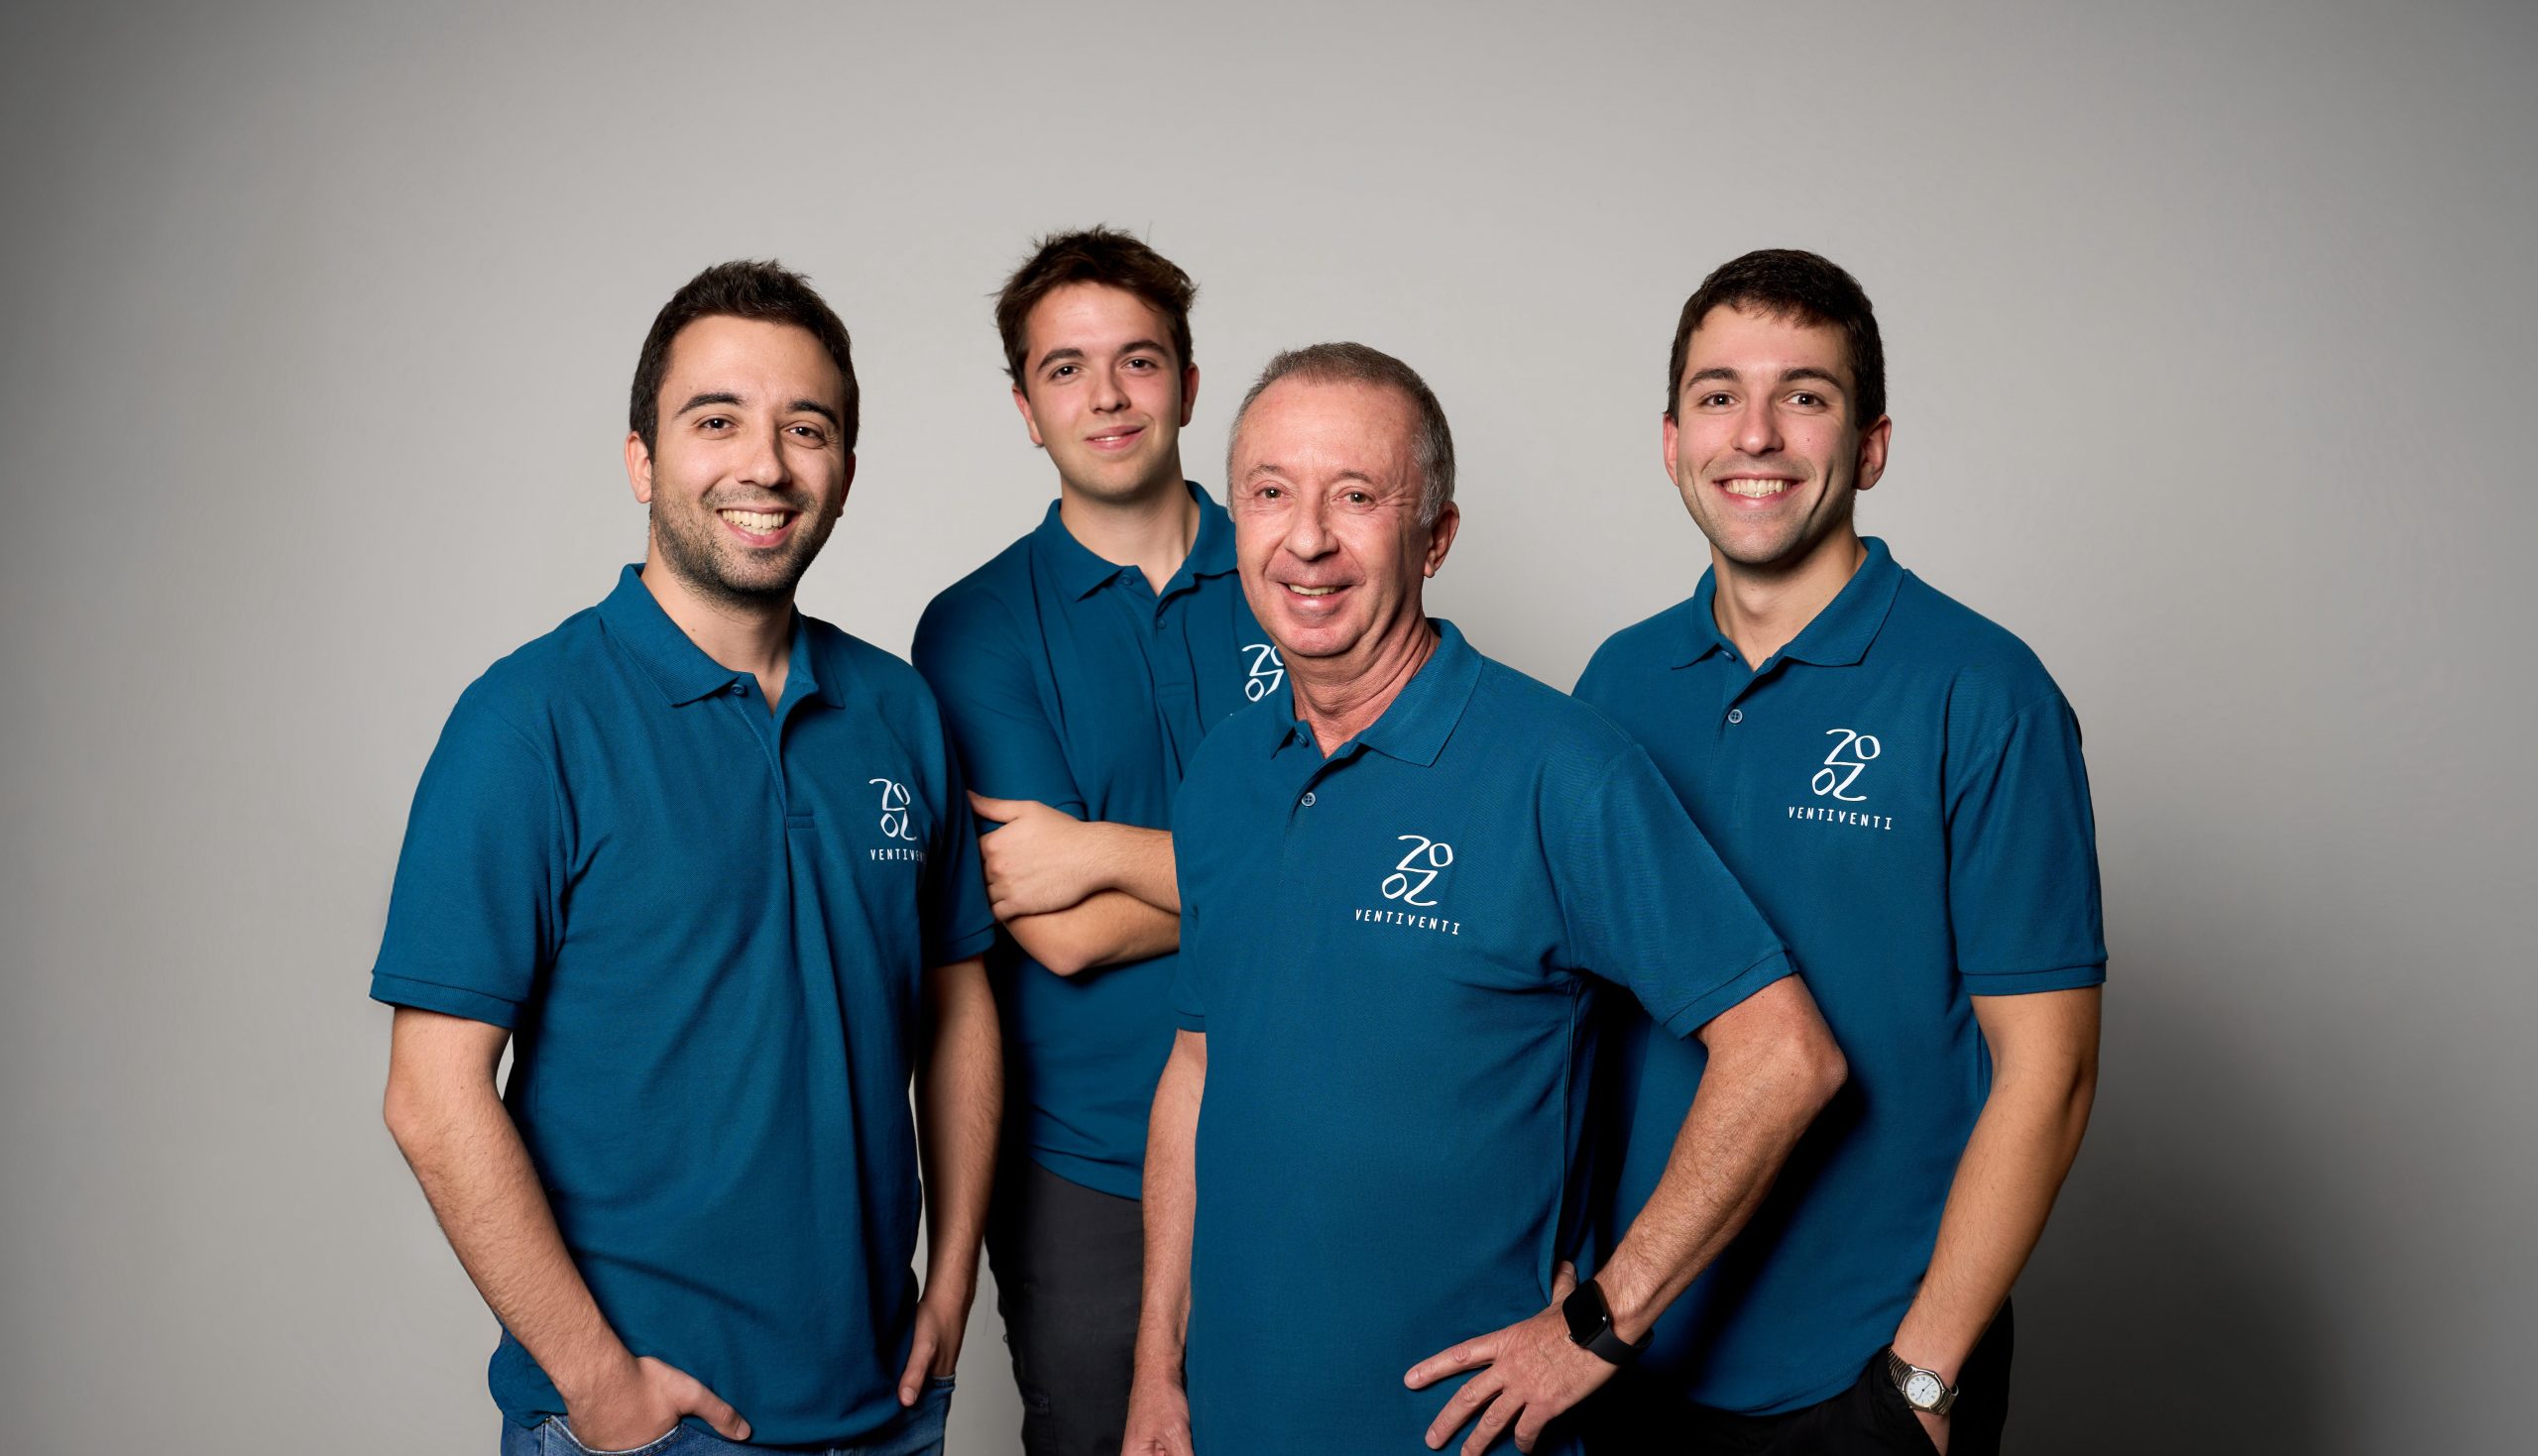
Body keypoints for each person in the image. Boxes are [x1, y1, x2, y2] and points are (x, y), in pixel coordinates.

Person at [1120, 343, 1849, 1456]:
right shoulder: (1224, 772)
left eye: (1356, 496)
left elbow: (1785, 1055)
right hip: (1226, 1419)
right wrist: (1154, 1369)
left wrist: (1601, 1321)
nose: (1306, 538)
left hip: (1460, 1432)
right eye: (1269, 493)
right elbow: (1195, 1071)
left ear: (1436, 536)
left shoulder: (1563, 769)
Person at [374, 260, 1001, 1456]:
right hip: (646, 1423)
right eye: (716, 420)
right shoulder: (528, 721)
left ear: (845, 471)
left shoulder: (899, 710)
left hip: (886, 1405)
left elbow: (960, 1002)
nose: (765, 464)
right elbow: (431, 1094)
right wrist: (596, 1379)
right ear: (641, 460)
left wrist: (956, 1274)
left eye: (805, 427)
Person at [1573, 249, 2105, 1454]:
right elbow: (1581, 1017)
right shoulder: (1617, 680)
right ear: (1672, 440)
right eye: (1718, 394)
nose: (1754, 433)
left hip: (1864, 1370)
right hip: (1630, 1344)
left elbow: (2051, 1072)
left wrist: (1922, 1377)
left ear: (1868, 446)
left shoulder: (1984, 691)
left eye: (1802, 395)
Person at [910, 227, 1268, 1456]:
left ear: (1189, 384)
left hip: (1312, 1129)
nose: (1106, 396)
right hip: (1086, 1165)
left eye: (1137, 360)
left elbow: (1367, 851)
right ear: (1025, 408)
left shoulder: (1297, 569)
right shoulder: (975, 627)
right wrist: (1293, 873)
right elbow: (1058, 932)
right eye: (1065, 369)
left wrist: (1105, 849)